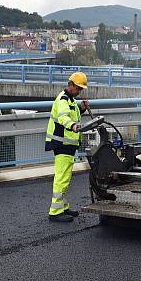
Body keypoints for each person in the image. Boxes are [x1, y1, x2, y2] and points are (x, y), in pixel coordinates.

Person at [45, 71, 90, 223]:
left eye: (80, 89)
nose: (79, 91)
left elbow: (72, 117)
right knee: (62, 178)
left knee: (65, 177)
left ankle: (63, 207)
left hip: (68, 144)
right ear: (70, 85)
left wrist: (82, 109)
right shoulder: (64, 100)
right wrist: (72, 125)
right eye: (77, 88)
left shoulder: (70, 100)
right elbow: (64, 118)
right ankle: (55, 212)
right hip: (62, 143)